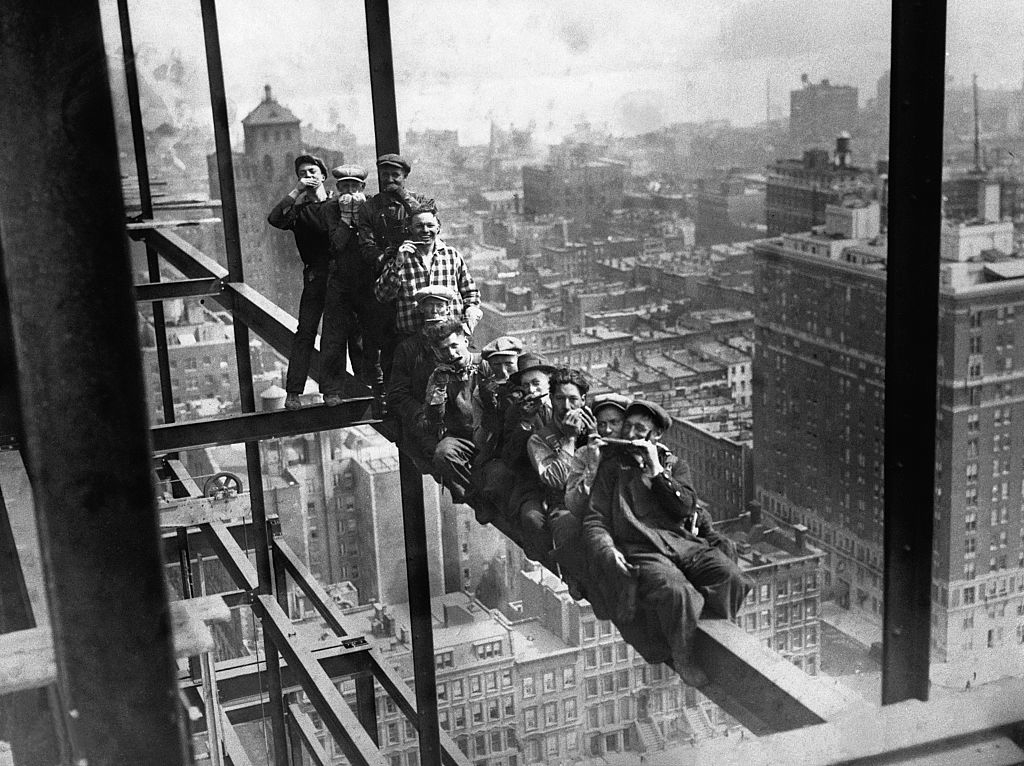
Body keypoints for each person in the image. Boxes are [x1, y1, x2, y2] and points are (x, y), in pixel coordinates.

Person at [583, 400, 752, 687]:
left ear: (655, 436)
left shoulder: (674, 466)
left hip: (683, 544)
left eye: (641, 429)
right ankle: (683, 657)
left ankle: (707, 634)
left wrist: (657, 471)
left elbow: (686, 507)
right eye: (629, 427)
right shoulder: (612, 468)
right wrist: (607, 549)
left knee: (731, 576)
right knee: (677, 591)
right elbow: (595, 518)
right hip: (642, 549)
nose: (632, 434)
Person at [266, 153, 332, 410]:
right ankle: (293, 392)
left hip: (337, 278)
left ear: (323, 176)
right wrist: (296, 191)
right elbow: (274, 218)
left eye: (313, 172)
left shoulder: (337, 206)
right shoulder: (299, 212)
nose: (309, 176)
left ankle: (331, 391)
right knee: (305, 334)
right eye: (303, 173)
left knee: (333, 336)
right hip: (315, 277)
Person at [524, 368, 597, 589]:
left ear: (583, 400)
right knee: (568, 528)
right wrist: (570, 439)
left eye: (573, 399)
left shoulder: (596, 425)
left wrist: (596, 437)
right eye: (560, 398)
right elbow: (556, 480)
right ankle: (576, 580)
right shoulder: (539, 439)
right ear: (552, 400)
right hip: (564, 504)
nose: (566, 406)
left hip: (599, 497)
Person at [374, 203, 482, 341]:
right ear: (410, 229)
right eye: (419, 226)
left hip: (450, 339)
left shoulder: (452, 255)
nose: (425, 230)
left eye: (430, 225)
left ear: (438, 228)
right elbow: (382, 296)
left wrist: (468, 323)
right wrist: (397, 265)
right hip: (413, 340)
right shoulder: (400, 257)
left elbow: (471, 293)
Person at [356, 153, 422, 380]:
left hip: (415, 282)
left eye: (396, 175)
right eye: (385, 176)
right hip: (384, 284)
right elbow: (366, 247)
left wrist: (404, 197)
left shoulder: (416, 202)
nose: (390, 180)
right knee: (388, 350)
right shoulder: (369, 208)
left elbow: (428, 224)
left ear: (405, 177)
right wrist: (387, 259)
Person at [388, 285, 459, 470]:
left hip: (457, 423)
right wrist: (420, 415)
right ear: (421, 309)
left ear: (448, 309)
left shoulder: (457, 344)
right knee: (436, 457)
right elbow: (397, 394)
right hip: (424, 426)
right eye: (429, 306)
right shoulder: (408, 349)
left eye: (440, 305)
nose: (435, 311)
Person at [318, 163, 370, 406]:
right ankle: (331, 390)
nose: (349, 191)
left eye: (354, 186)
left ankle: (365, 384)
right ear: (337, 188)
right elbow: (335, 244)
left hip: (364, 281)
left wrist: (360, 217)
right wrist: (348, 219)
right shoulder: (330, 209)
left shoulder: (369, 207)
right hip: (338, 280)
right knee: (334, 337)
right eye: (345, 186)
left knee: (363, 335)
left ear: (362, 187)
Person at [418, 319, 484, 503]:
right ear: (436, 353)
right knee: (443, 454)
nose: (451, 354)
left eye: (454, 346)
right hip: (463, 438)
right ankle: (477, 498)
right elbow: (432, 419)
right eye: (444, 350)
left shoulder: (485, 363)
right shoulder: (439, 376)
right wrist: (440, 386)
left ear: (465, 340)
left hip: (490, 434)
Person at [564, 392, 631, 517]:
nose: (607, 430)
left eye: (614, 422)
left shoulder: (637, 451)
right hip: (596, 519)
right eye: (601, 424)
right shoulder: (584, 454)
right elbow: (573, 505)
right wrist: (592, 467)